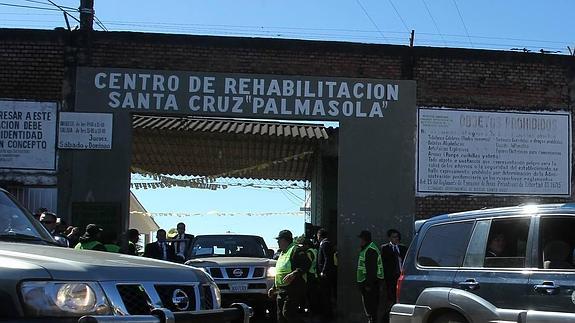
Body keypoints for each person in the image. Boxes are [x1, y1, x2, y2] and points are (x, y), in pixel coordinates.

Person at [268, 230, 311, 323]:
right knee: (280, 317)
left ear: (285, 240)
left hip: (293, 289)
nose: (277, 242)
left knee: (288, 313)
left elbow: (306, 264)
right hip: (281, 290)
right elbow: (279, 272)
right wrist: (273, 287)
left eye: (279, 240)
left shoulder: (295, 250)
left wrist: (294, 274)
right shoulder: (282, 253)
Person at [357, 230, 384, 323]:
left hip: (370, 285)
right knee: (371, 310)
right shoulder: (368, 248)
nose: (360, 241)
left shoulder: (370, 250)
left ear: (364, 239)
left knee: (371, 309)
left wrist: (368, 285)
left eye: (360, 239)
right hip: (370, 284)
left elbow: (371, 270)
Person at [381, 229, 407, 307]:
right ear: (390, 238)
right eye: (394, 237)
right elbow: (384, 263)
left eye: (397, 237)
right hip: (391, 276)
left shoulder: (403, 248)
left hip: (401, 275)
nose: (396, 239)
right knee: (391, 296)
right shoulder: (385, 248)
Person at [296, 235, 320, 319]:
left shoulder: (309, 252)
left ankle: (311, 314)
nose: (302, 247)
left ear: (307, 245)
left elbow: (307, 264)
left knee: (309, 297)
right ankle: (314, 312)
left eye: (303, 245)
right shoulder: (315, 251)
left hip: (310, 276)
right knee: (314, 296)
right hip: (315, 275)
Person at [316, 228, 336, 322]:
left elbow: (328, 259)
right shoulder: (325, 244)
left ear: (319, 236)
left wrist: (323, 271)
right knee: (324, 295)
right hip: (325, 274)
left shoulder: (325, 244)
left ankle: (327, 315)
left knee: (326, 295)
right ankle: (326, 313)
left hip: (325, 275)